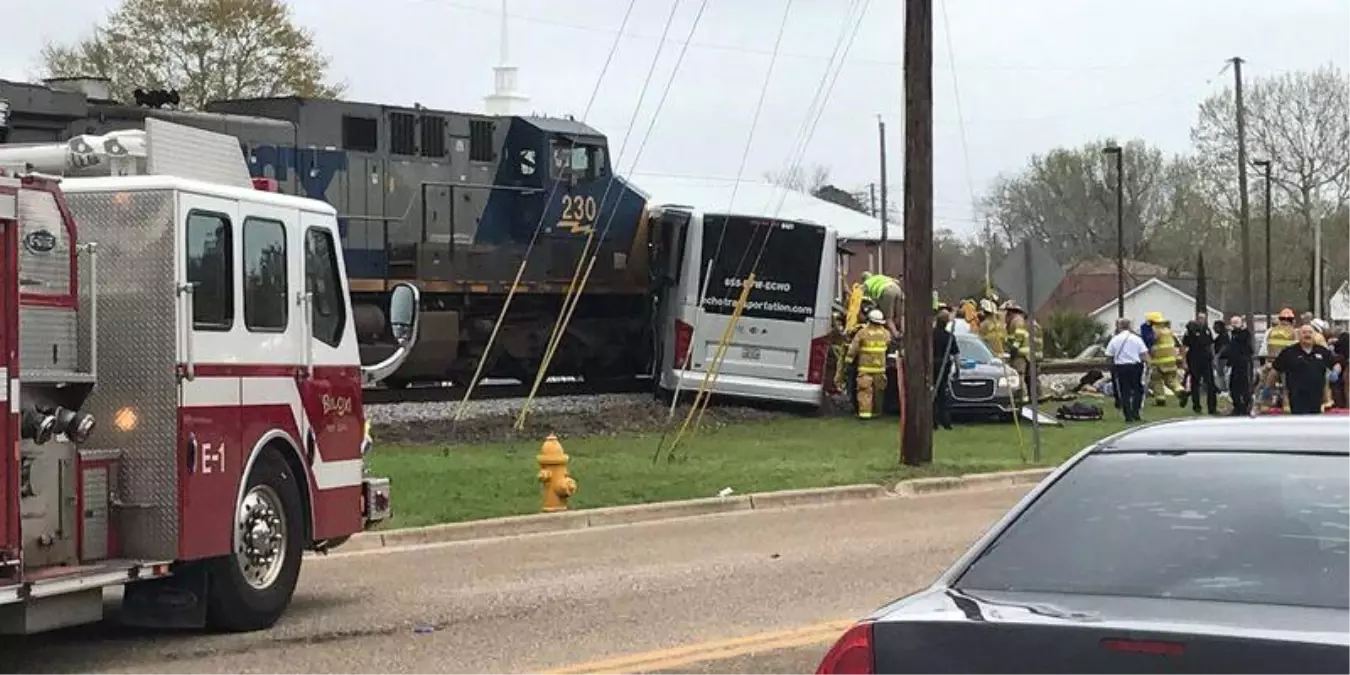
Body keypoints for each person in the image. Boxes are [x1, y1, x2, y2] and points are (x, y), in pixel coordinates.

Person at [1269, 324, 1336, 415]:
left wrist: (1336, 371)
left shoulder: (1322, 351)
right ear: (1298, 336)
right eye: (1304, 333)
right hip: (1297, 397)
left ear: (1314, 335)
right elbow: (1275, 371)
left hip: (1317, 397)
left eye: (1310, 332)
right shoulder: (1289, 352)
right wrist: (1268, 388)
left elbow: (1336, 364)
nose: (1307, 335)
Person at [845, 308, 892, 420]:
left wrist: (848, 361)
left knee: (864, 391)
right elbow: (888, 346)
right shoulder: (885, 333)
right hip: (880, 368)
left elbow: (853, 348)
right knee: (879, 392)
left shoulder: (863, 332)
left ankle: (865, 414)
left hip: (865, 368)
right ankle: (877, 412)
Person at [1105, 317, 1149, 421]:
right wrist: (1149, 364)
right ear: (1130, 326)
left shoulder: (1115, 339)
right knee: (1138, 390)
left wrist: (1112, 367)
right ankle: (1136, 413)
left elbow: (1109, 356)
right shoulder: (1137, 339)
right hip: (1135, 366)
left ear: (1119, 326)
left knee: (1125, 391)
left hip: (1121, 367)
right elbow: (1144, 354)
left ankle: (1128, 416)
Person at [1181, 313, 1218, 415]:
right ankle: (1196, 406)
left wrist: (1213, 358)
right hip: (1194, 359)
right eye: (1200, 318)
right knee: (1195, 384)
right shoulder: (1190, 331)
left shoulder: (1207, 330)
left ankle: (1212, 408)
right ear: (1196, 319)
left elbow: (1211, 345)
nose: (1202, 320)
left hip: (1206, 360)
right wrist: (1184, 362)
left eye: (1204, 319)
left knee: (1210, 384)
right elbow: (1183, 347)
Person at [1145, 313, 1183, 406]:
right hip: (1171, 361)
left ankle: (1160, 399)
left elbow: (1149, 341)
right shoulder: (1168, 331)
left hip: (1159, 361)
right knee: (1171, 379)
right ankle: (1180, 391)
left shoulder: (1155, 331)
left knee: (1156, 380)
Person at [1221, 315, 1255, 416]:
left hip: (1245, 364)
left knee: (1245, 387)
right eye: (1233, 323)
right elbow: (1230, 349)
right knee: (1233, 387)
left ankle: (1246, 407)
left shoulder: (1245, 334)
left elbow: (1245, 346)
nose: (1234, 326)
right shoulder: (1232, 336)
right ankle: (1237, 407)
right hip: (1235, 365)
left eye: (1236, 323)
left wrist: (1237, 331)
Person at [932, 309, 960, 430]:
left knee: (931, 393)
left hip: (931, 365)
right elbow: (956, 355)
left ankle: (934, 421)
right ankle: (945, 421)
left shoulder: (930, 334)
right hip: (944, 366)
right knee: (942, 394)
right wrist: (958, 369)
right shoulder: (949, 337)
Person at [860, 271, 904, 338]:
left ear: (863, 280)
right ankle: (903, 333)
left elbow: (860, 296)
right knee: (899, 315)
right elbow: (896, 281)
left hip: (886, 292)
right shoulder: (879, 277)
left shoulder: (866, 284)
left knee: (888, 318)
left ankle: (896, 336)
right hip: (897, 289)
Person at [1212, 319, 1230, 393]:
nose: (1214, 328)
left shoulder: (1224, 335)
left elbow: (1224, 346)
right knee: (1220, 372)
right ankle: (1223, 387)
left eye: (1215, 327)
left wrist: (1217, 356)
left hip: (1223, 358)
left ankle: (1224, 388)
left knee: (1222, 372)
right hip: (1220, 357)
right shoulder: (1220, 336)